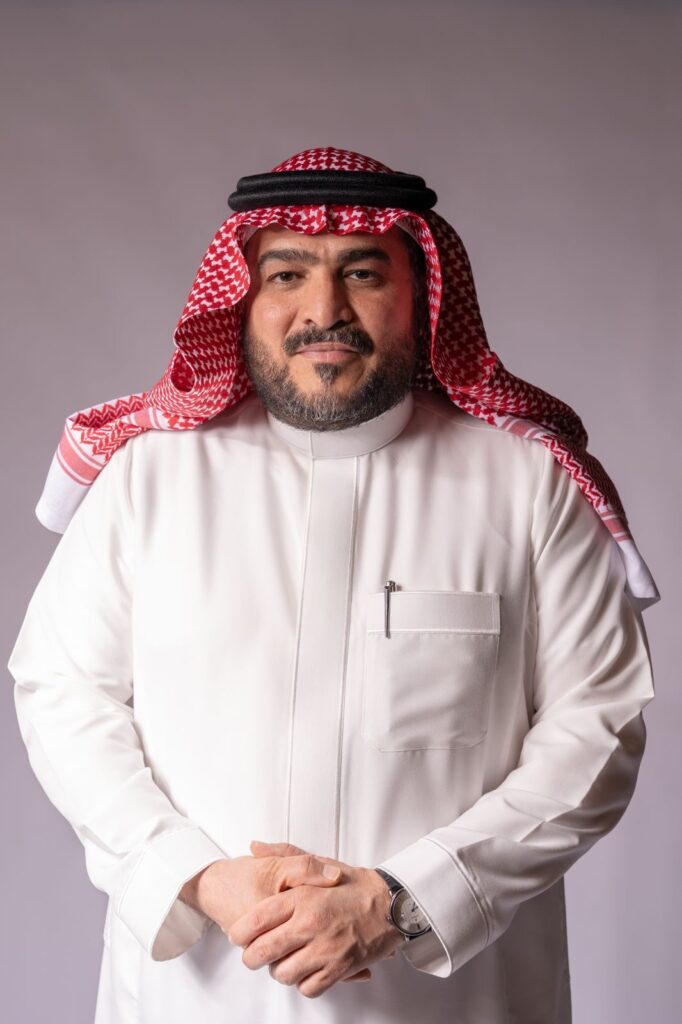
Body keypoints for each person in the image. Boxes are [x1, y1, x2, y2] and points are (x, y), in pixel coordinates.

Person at [8, 147, 659, 1024]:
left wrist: (403, 902)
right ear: (243, 298)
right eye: (287, 274)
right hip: (199, 997)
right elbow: (62, 694)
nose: (324, 310)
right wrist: (198, 877)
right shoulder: (147, 481)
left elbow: (599, 723)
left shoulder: (528, 486)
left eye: (362, 273)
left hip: (457, 1001)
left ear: (421, 296)